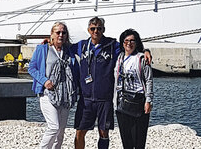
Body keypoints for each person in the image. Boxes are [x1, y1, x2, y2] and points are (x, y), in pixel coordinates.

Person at [73, 17, 151, 149]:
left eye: (99, 28)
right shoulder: (81, 45)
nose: (96, 31)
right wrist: (48, 42)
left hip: (105, 99)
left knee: (104, 132)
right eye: (93, 28)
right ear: (88, 30)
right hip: (86, 98)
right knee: (80, 131)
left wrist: (146, 51)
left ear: (104, 29)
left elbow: (130, 48)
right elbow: (62, 46)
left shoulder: (112, 45)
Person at [28, 21, 79, 149]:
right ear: (52, 34)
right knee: (54, 127)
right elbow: (32, 68)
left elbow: (76, 71)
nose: (61, 35)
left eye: (63, 32)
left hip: (65, 95)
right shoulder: (43, 49)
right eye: (58, 32)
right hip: (47, 93)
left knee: (61, 132)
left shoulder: (69, 50)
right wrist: (44, 81)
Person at [114, 29, 153, 149]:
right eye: (126, 41)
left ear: (137, 42)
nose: (129, 43)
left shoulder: (142, 58)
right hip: (122, 101)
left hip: (138, 101)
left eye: (132, 40)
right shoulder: (119, 57)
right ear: (122, 42)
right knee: (126, 140)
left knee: (139, 140)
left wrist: (149, 100)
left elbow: (149, 80)